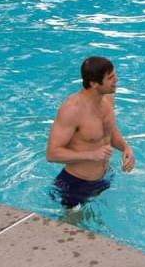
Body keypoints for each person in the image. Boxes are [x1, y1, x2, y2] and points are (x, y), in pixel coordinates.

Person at [45, 55, 134, 208]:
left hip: (105, 176)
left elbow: (109, 130)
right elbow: (51, 154)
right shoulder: (72, 109)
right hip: (76, 185)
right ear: (93, 83)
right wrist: (91, 155)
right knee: (72, 229)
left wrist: (125, 148)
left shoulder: (107, 97)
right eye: (110, 78)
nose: (116, 80)